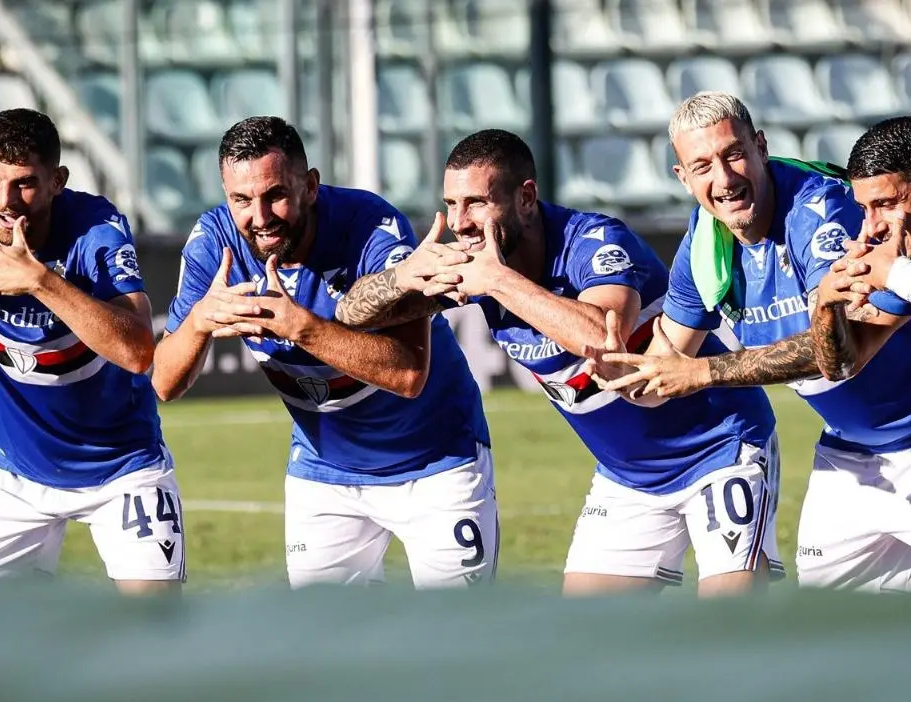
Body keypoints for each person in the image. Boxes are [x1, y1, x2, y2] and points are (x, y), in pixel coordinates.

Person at [592, 92, 911, 596]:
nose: (723, 180)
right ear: (682, 177)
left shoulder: (820, 210)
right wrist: (622, 375)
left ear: (761, 147)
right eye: (702, 165)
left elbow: (840, 352)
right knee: (831, 640)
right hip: (850, 450)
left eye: (733, 154)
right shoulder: (705, 241)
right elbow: (665, 369)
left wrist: (704, 372)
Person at [333, 128, 780, 597]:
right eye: (452, 204)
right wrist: (403, 276)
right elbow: (352, 314)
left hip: (719, 449)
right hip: (629, 478)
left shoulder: (595, 242)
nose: (460, 222)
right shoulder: (480, 258)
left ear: (525, 198)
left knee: (732, 620)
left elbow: (602, 340)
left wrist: (499, 281)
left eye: (476, 203)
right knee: (586, 641)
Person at [152, 116, 496, 589]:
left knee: (460, 645)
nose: (260, 216)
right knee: (324, 646)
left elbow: (408, 373)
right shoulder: (217, 243)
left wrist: (303, 328)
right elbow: (164, 383)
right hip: (325, 471)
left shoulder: (370, 226)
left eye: (275, 194)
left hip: (436, 461)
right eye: (241, 200)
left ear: (310, 186)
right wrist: (198, 323)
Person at [0, 108, 183, 593]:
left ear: (56, 181)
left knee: (157, 632)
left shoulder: (95, 228)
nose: (5, 201)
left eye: (24, 183)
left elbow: (138, 351)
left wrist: (41, 281)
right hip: (10, 475)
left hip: (122, 468)